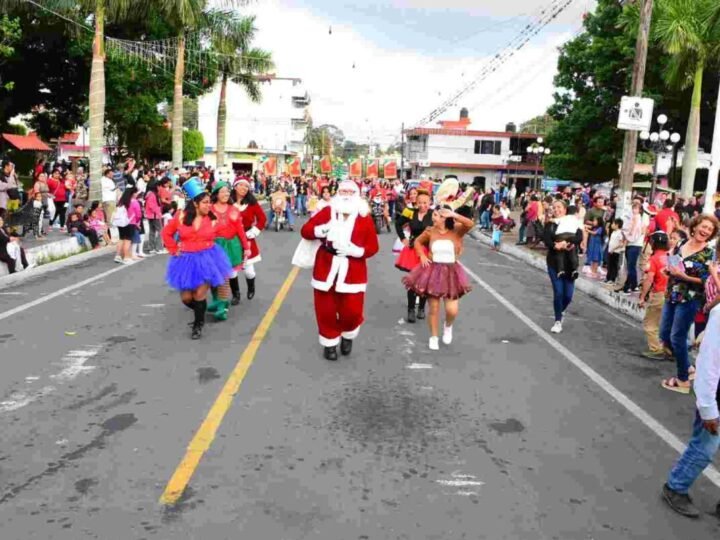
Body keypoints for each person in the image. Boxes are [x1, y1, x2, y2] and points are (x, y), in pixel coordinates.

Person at [661, 266, 720, 518]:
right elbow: (709, 365)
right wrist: (707, 409)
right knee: (705, 446)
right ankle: (676, 487)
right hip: (715, 397)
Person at [300, 179, 379, 361]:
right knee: (325, 309)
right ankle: (329, 344)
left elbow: (373, 246)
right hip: (326, 267)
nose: (346, 195)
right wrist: (322, 230)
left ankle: (348, 334)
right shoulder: (328, 211)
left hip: (353, 270)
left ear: (356, 195)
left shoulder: (363, 216)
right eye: (343, 192)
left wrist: (355, 251)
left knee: (352, 311)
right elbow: (306, 231)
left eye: (350, 192)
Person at [161, 179, 233, 340]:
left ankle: (198, 325)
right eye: (205, 203)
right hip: (185, 260)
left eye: (209, 202)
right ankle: (201, 312)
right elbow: (166, 233)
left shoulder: (213, 219)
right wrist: (173, 249)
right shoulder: (181, 216)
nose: (209, 205)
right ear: (195, 203)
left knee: (200, 294)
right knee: (187, 298)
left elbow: (229, 231)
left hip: (207, 259)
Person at [660, 215, 718, 394]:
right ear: (695, 226)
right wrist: (668, 270)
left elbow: (708, 281)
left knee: (677, 336)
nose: (705, 231)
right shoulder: (681, 243)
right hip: (672, 293)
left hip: (690, 298)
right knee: (664, 334)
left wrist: (684, 277)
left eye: (710, 229)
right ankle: (689, 368)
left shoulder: (709, 254)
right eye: (704, 226)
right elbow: (673, 263)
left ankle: (683, 380)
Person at [402, 205, 474, 350]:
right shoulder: (430, 231)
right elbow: (417, 242)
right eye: (433, 215)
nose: (432, 217)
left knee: (451, 310)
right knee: (434, 308)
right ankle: (433, 336)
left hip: (451, 272)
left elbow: (470, 224)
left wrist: (453, 214)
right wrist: (421, 255)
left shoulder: (457, 230)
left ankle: (448, 326)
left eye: (436, 215)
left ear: (444, 218)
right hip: (433, 271)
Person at [208, 181, 250, 320]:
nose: (225, 194)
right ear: (216, 194)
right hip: (214, 246)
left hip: (232, 246)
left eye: (227, 191)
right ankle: (217, 300)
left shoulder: (233, 210)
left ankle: (222, 306)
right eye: (222, 191)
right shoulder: (209, 209)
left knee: (224, 276)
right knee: (214, 276)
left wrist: (246, 248)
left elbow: (240, 230)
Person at [395, 189, 433, 323]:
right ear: (416, 203)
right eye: (420, 203)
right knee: (412, 281)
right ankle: (411, 309)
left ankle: (421, 308)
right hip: (412, 251)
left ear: (430, 203)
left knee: (424, 281)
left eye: (426, 203)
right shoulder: (411, 213)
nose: (423, 205)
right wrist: (403, 239)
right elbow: (398, 224)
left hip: (428, 251)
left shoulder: (434, 215)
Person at [543, 200, 582, 334]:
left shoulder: (572, 222)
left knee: (568, 296)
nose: (556, 210)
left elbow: (579, 237)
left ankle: (561, 310)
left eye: (559, 207)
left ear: (565, 209)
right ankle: (557, 320)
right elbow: (546, 239)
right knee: (558, 292)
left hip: (570, 264)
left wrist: (567, 242)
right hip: (554, 263)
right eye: (554, 208)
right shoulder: (550, 224)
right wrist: (556, 245)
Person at [233, 177, 267, 302]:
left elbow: (262, 219)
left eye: (246, 186)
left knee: (249, 271)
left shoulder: (252, 203)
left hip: (247, 238)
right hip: (232, 239)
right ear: (235, 186)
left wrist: (254, 231)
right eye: (241, 185)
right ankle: (236, 294)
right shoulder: (228, 202)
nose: (244, 188)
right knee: (232, 271)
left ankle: (251, 287)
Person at [639, 231, 670, 359]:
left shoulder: (654, 259)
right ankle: (668, 349)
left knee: (650, 323)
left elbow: (649, 279)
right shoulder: (670, 256)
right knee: (665, 323)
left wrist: (642, 297)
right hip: (671, 293)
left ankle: (656, 349)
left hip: (659, 293)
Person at [621, 202, 644, 294]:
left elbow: (634, 231)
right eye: (633, 208)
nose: (634, 210)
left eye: (636, 208)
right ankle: (633, 285)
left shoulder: (638, 218)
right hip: (632, 243)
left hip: (634, 244)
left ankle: (628, 287)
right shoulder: (633, 218)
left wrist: (628, 235)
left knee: (631, 266)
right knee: (631, 266)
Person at [605, 218, 625, 284]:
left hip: (615, 252)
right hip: (610, 251)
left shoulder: (620, 233)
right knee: (609, 265)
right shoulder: (613, 232)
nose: (612, 225)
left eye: (613, 224)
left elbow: (621, 244)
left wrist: (613, 249)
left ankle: (612, 279)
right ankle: (608, 277)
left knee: (614, 265)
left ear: (617, 225)